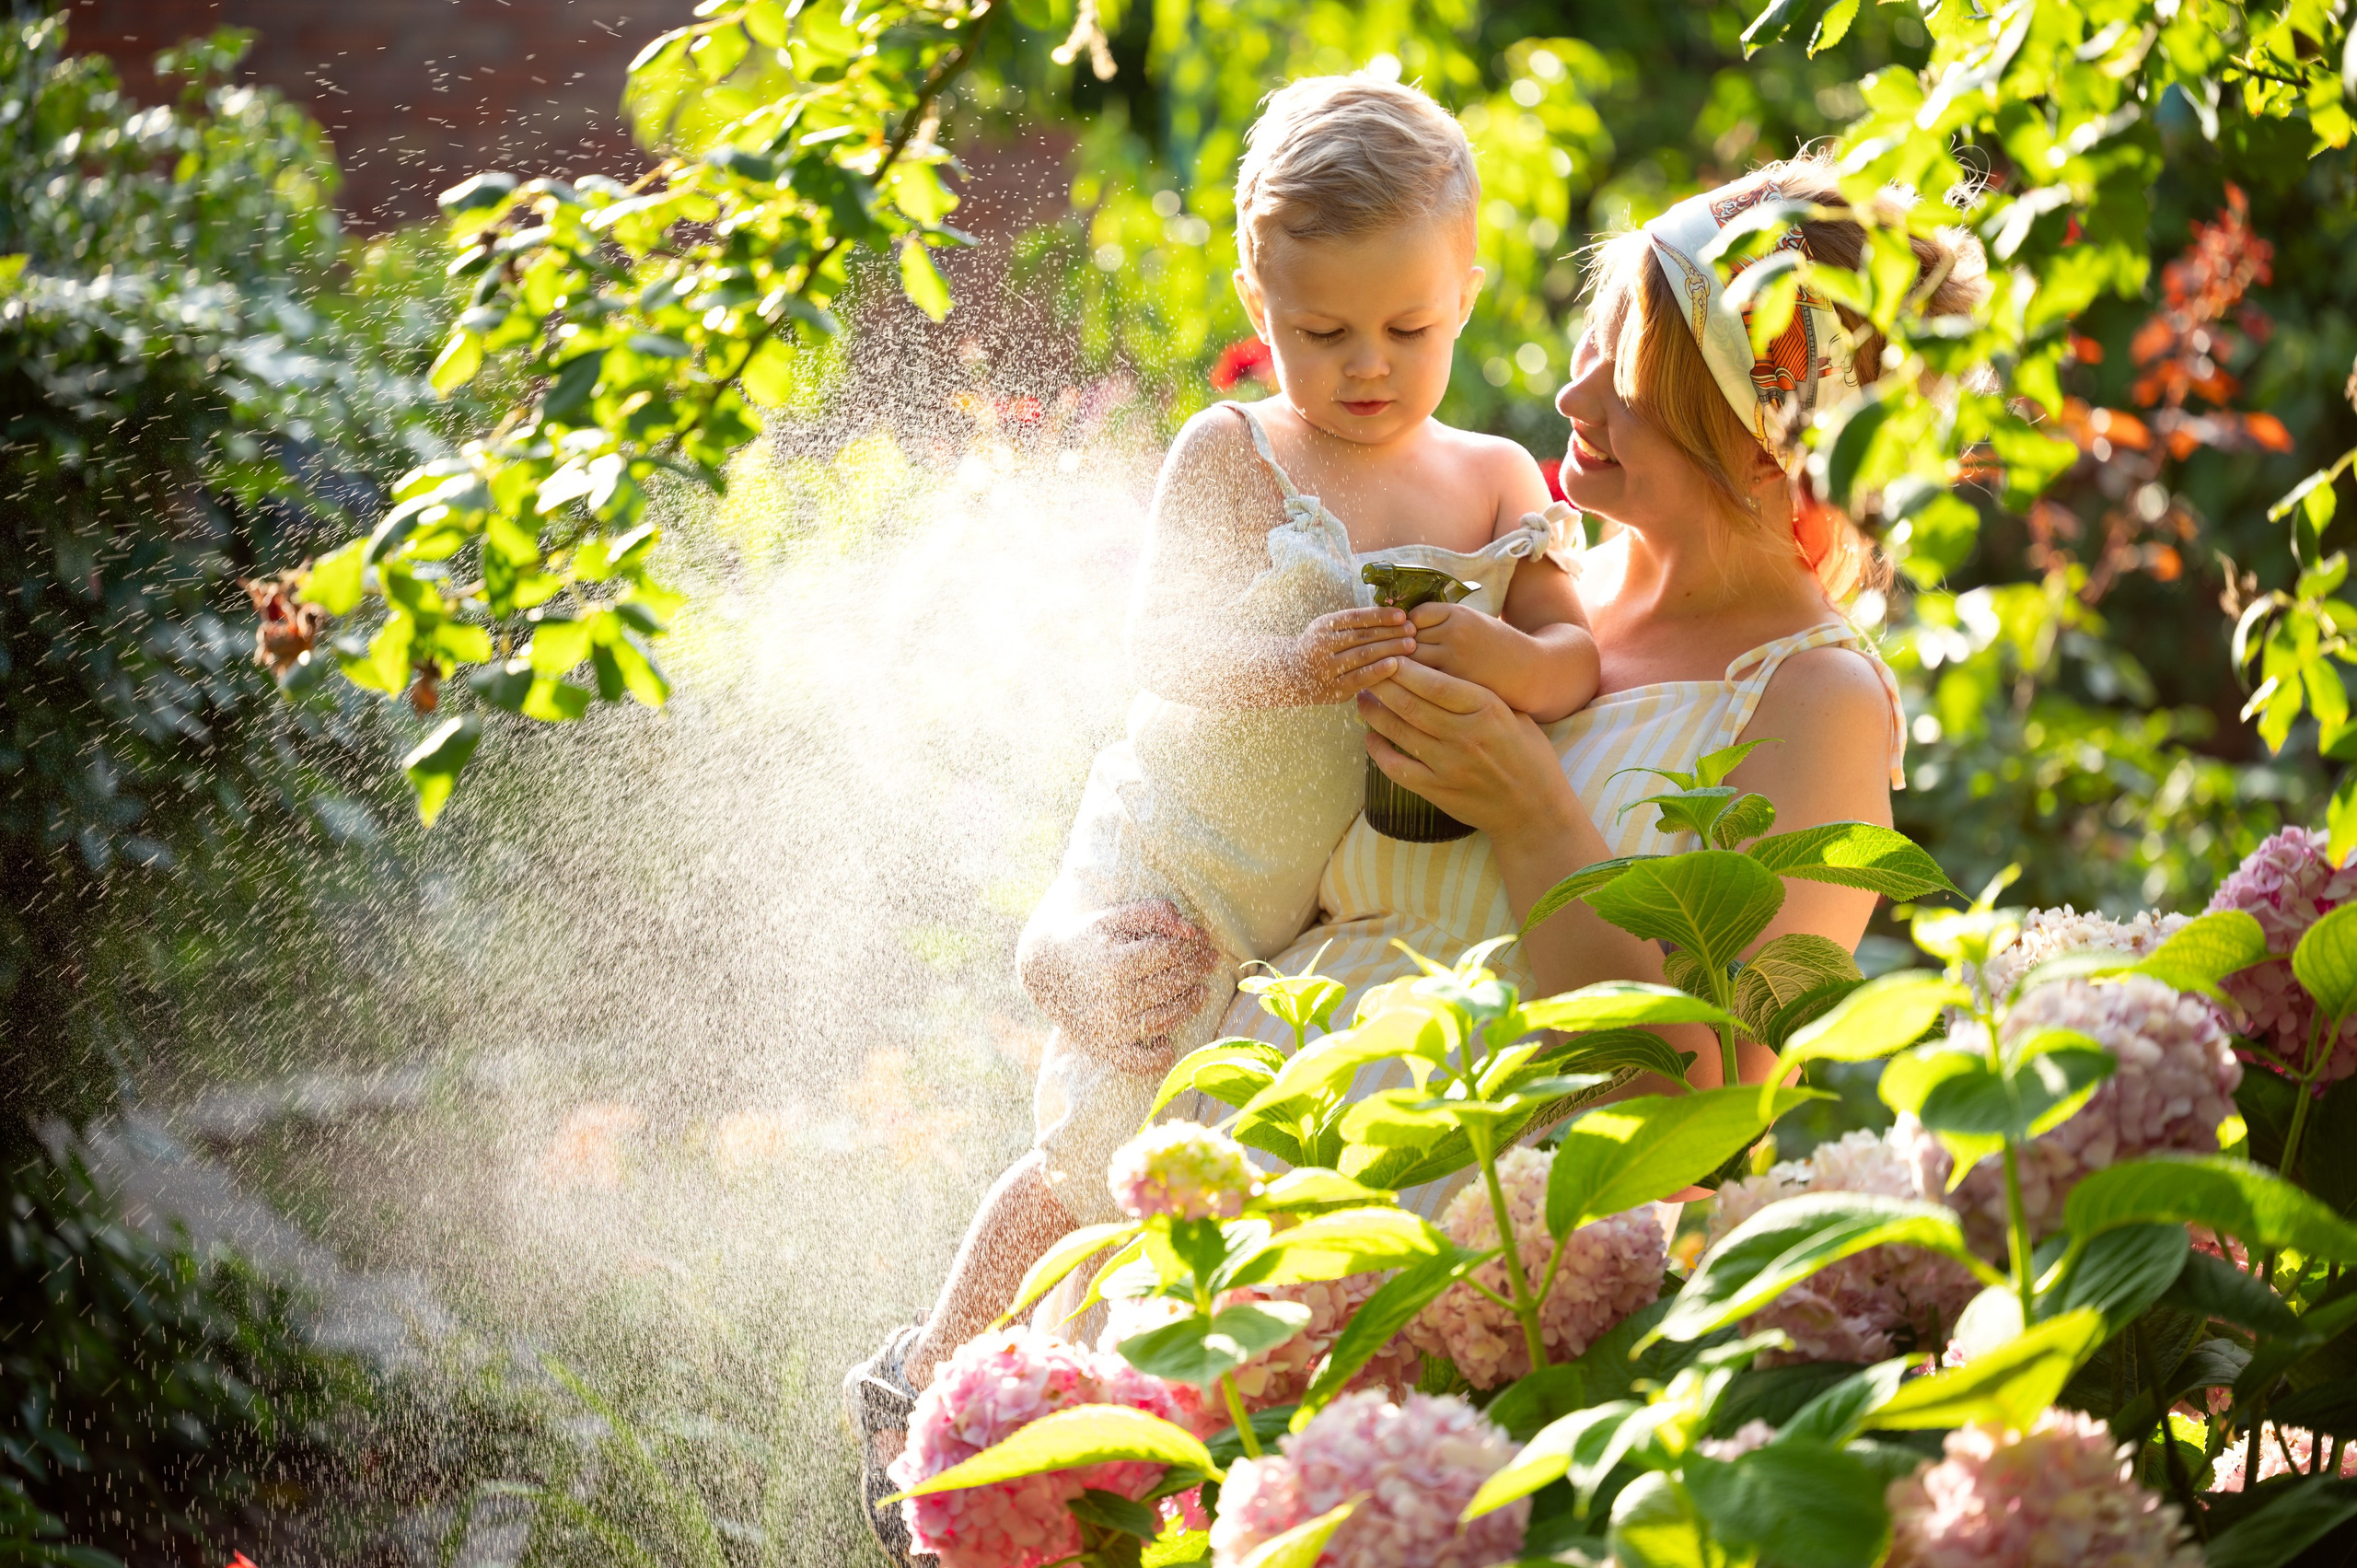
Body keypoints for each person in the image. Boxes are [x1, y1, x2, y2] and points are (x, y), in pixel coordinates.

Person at [845, 75, 1596, 1556]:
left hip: (1300, 905)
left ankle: (1125, 1453)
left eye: (1409, 329)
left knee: (1201, 1169)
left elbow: (1572, 658)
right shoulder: (1235, 453)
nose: (1368, 366)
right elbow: (1158, 655)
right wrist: (1295, 667)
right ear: (1262, 292)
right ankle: (925, 1372)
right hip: (1175, 838)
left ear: (1466, 290)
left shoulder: (1497, 476)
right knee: (1093, 1142)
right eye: (1323, 333)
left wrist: (1500, 656)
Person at [1020, 154, 1989, 1221]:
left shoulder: (1814, 701)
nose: (1571, 395)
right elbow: (1213, 789)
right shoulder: (1514, 580)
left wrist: (1531, 813)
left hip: (1470, 1261)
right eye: (1593, 343)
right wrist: (1065, 950)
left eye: (1624, 380)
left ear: (1767, 445)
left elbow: (1700, 1108)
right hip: (1239, 1177)